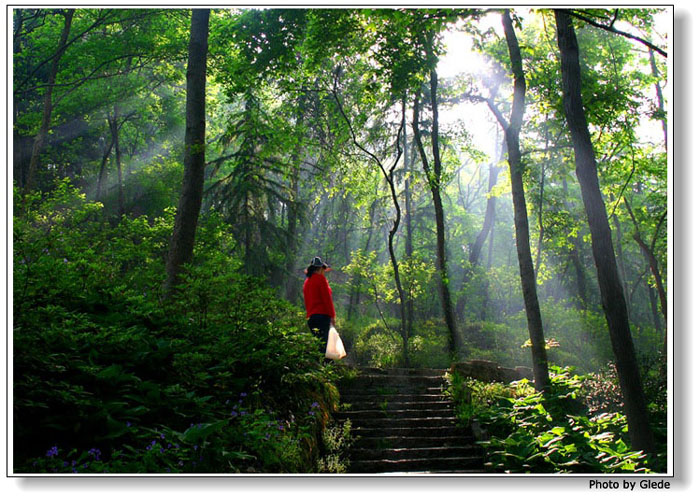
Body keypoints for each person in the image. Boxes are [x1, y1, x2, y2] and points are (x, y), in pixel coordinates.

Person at [303, 256, 336, 357]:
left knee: (317, 344)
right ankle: (326, 367)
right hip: (322, 317)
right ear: (320, 268)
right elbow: (327, 299)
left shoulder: (307, 283)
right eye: (323, 269)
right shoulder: (321, 279)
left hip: (312, 318)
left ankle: (318, 368)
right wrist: (332, 316)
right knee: (325, 345)